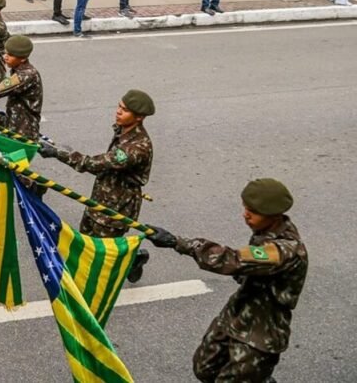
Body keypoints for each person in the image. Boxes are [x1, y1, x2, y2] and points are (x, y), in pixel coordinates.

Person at [147, 178, 307, 382]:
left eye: (253, 211)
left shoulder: (285, 250)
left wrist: (177, 242)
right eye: (245, 207)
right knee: (204, 369)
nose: (245, 214)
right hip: (236, 316)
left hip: (260, 334)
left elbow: (234, 260)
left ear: (274, 216)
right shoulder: (265, 233)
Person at [38, 89, 155, 283]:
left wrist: (58, 153)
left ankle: (131, 262)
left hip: (117, 206)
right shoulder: (124, 130)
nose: (118, 111)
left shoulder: (137, 148)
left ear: (139, 118)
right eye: (119, 106)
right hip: (101, 196)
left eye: (125, 110)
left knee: (104, 253)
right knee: (86, 243)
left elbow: (96, 164)